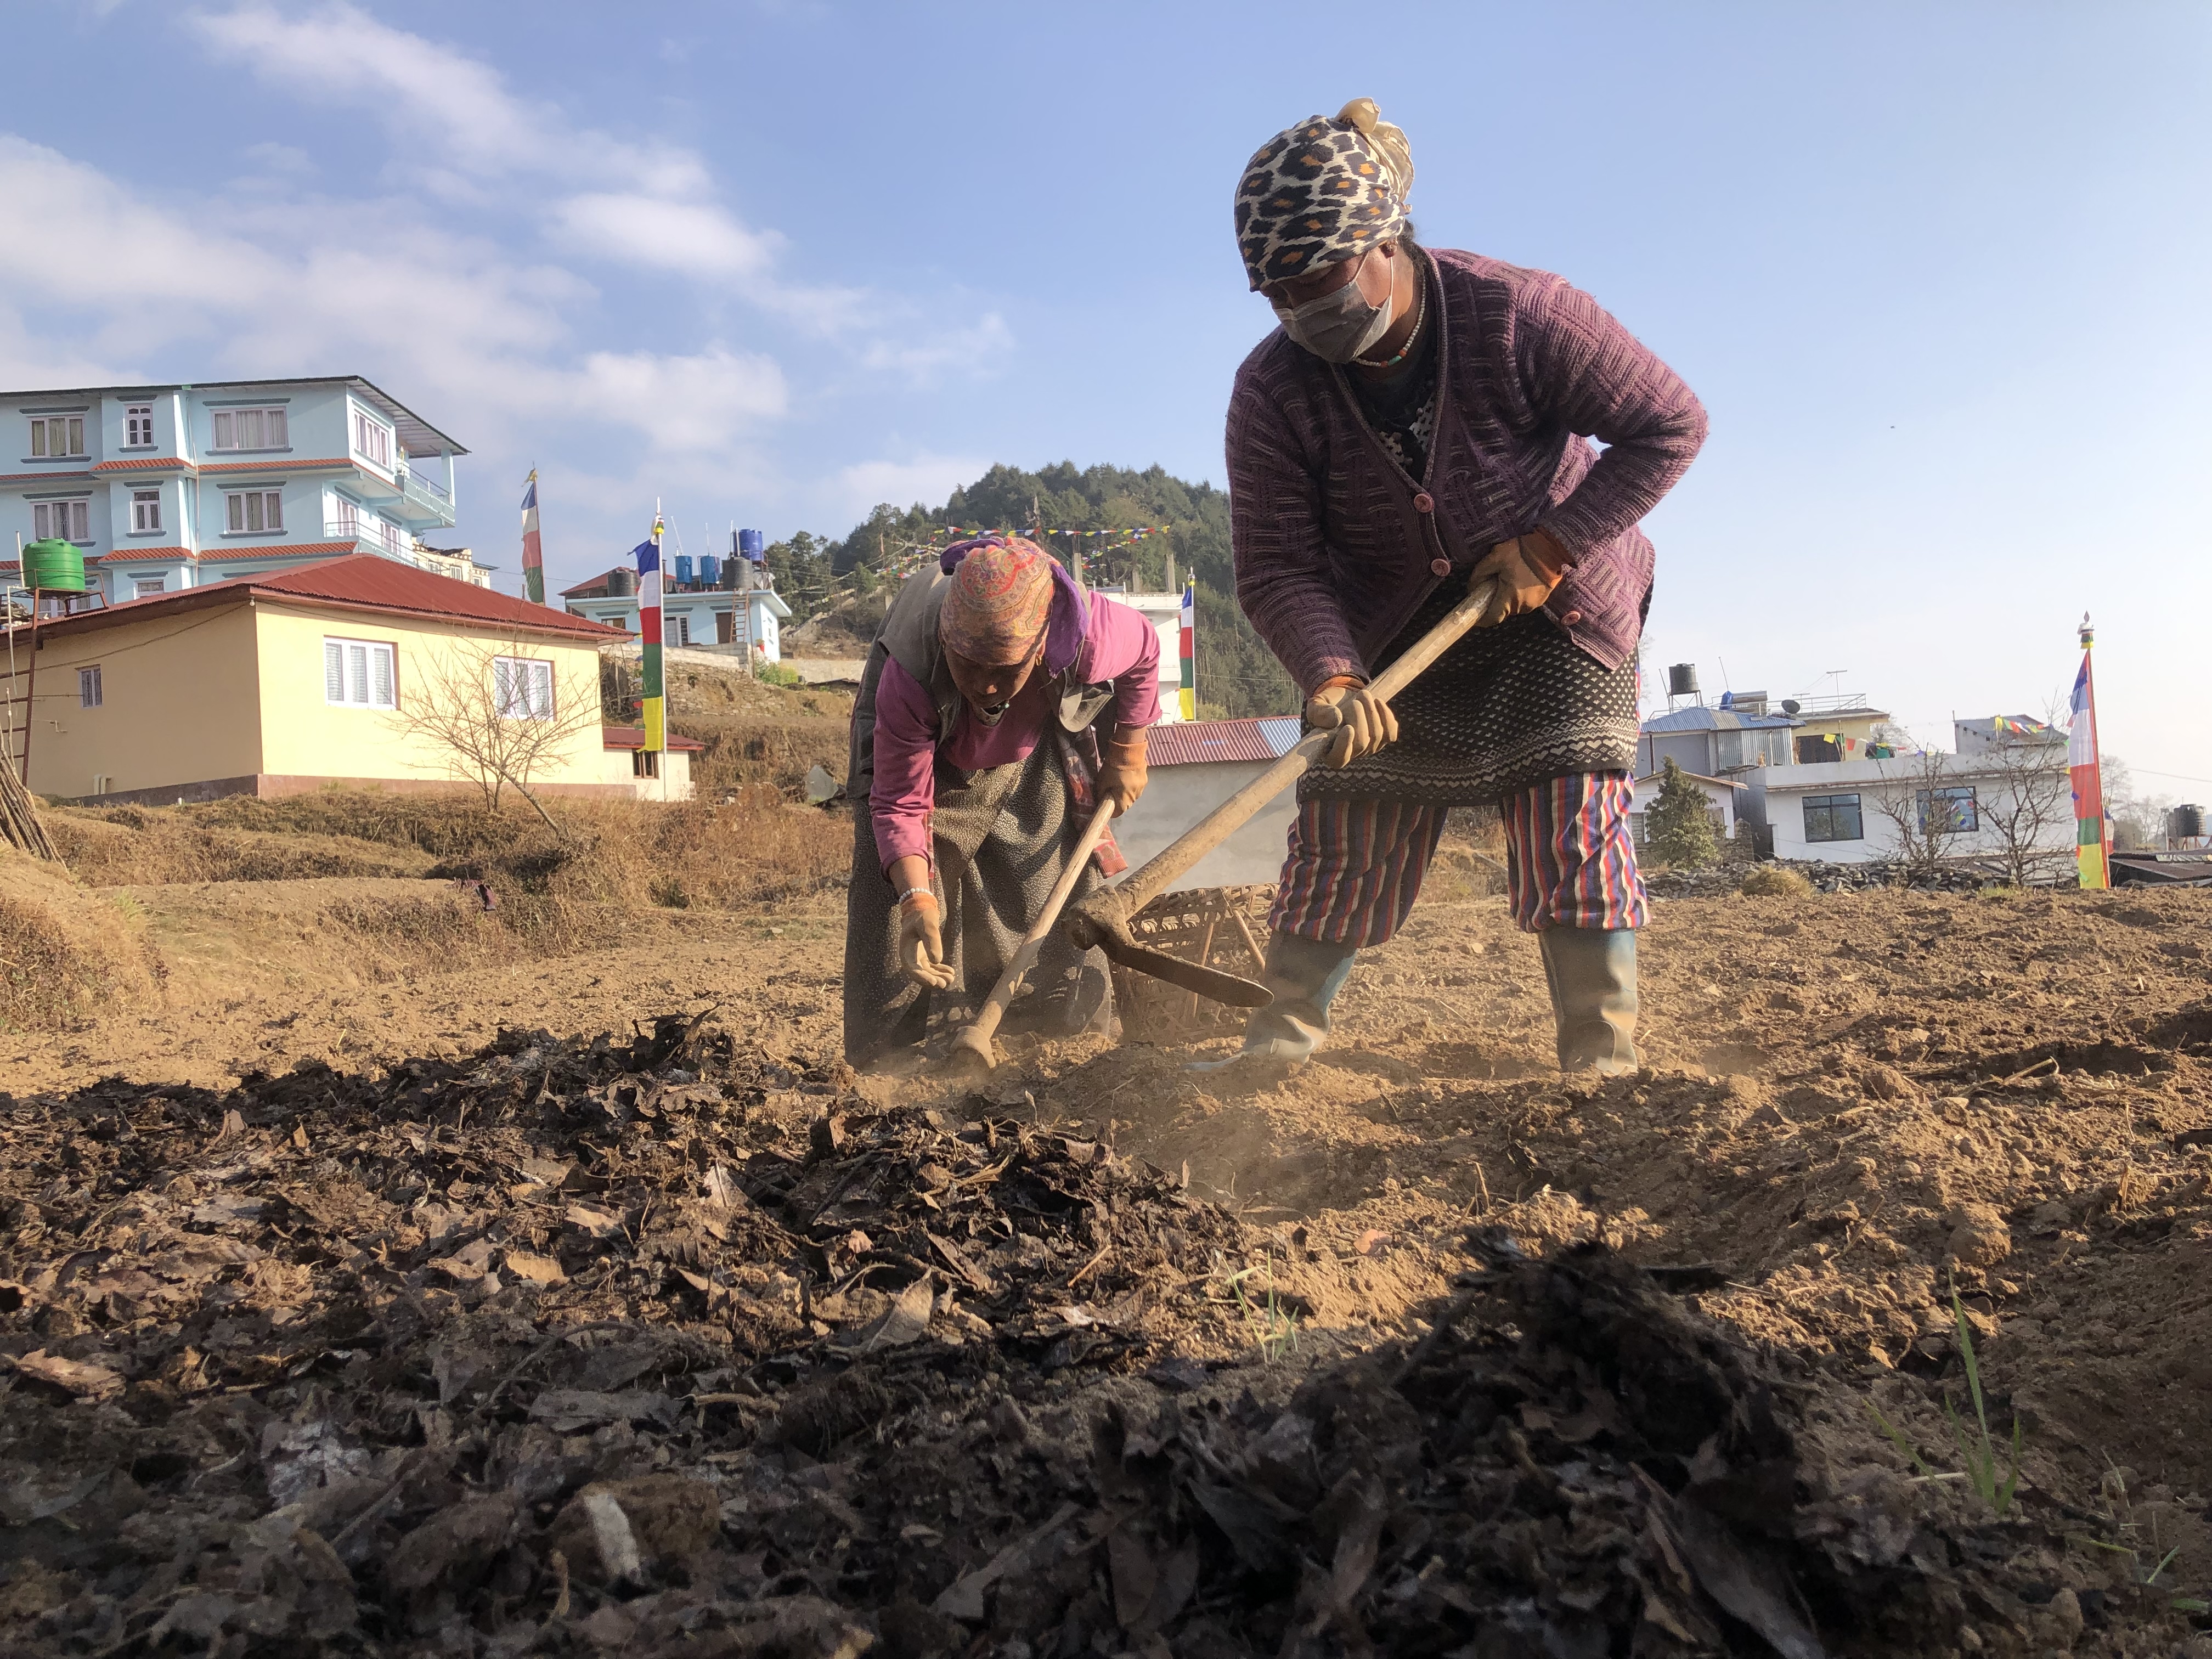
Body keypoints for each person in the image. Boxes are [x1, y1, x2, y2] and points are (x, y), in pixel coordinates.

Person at [1209, 99, 1708, 1076]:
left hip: (1554, 612)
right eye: (1279, 297)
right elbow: (1276, 563)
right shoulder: (1271, 391)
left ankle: (1598, 1054)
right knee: (1346, 817)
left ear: (1386, 240)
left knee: (1572, 810)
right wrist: (1331, 673)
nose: (1306, 314)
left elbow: (1669, 424)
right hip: (1387, 632)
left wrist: (1555, 542)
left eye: (1323, 283)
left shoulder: (1517, 312)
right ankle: (1280, 1043)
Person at [844, 535, 1158, 1066]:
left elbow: (1146, 649)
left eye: (1003, 671)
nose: (986, 689)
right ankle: (892, 1058)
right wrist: (915, 897)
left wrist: (1129, 749)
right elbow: (898, 801)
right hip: (929, 745)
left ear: (1041, 649)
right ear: (948, 641)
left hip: (1032, 730)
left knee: (1039, 852)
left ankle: (1049, 1033)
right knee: (902, 893)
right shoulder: (912, 669)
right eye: (970, 666)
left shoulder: (1086, 635)